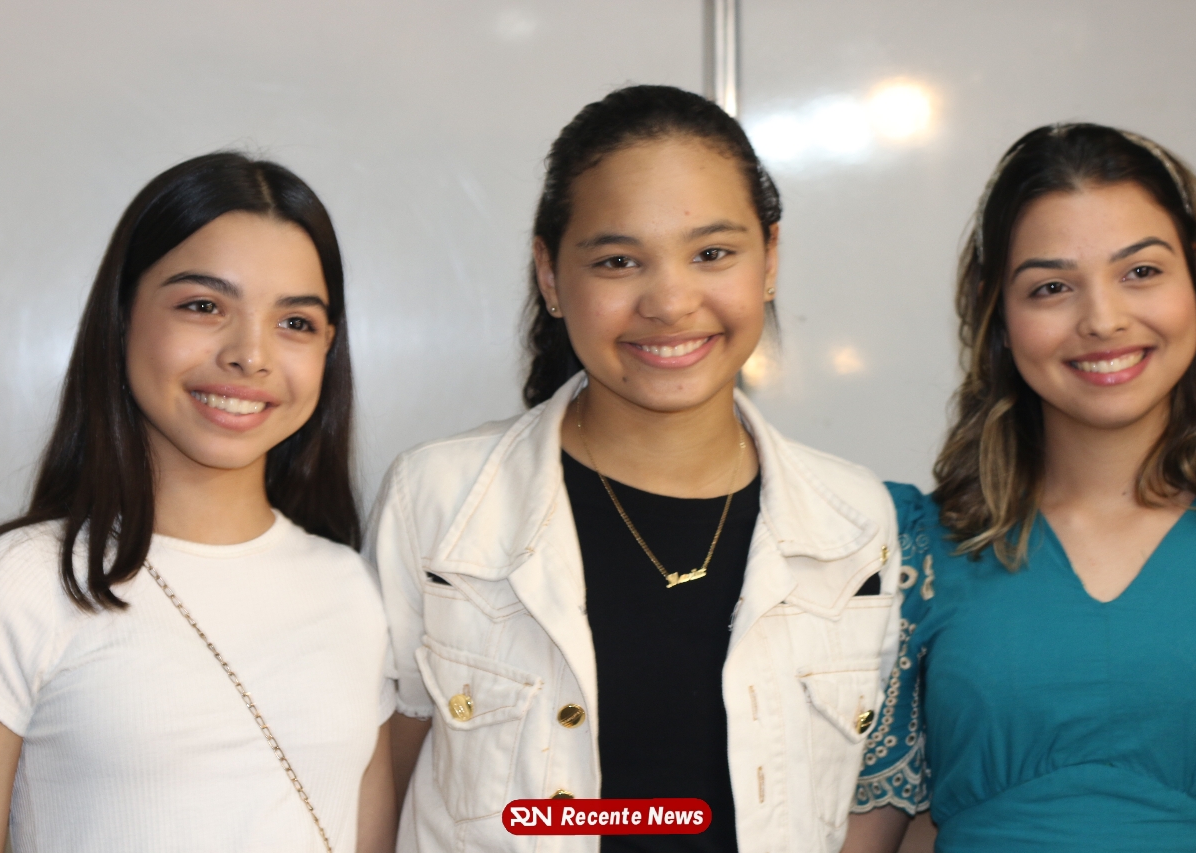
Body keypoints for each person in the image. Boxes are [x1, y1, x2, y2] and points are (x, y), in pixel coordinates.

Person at [370, 85, 900, 853]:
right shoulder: (439, 499)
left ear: (770, 260)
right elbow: (377, 790)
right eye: (619, 261)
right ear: (551, 275)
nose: (671, 301)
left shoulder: (853, 522)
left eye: (712, 254)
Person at [0, 153, 396, 853]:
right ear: (121, 317)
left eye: (295, 322)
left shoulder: (355, 588)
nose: (250, 355)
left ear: (329, 348)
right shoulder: (19, 582)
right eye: (203, 306)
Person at [842, 124, 1196, 852]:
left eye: (1141, 271)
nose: (1103, 319)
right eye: (1052, 287)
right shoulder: (915, 551)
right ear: (998, 314)